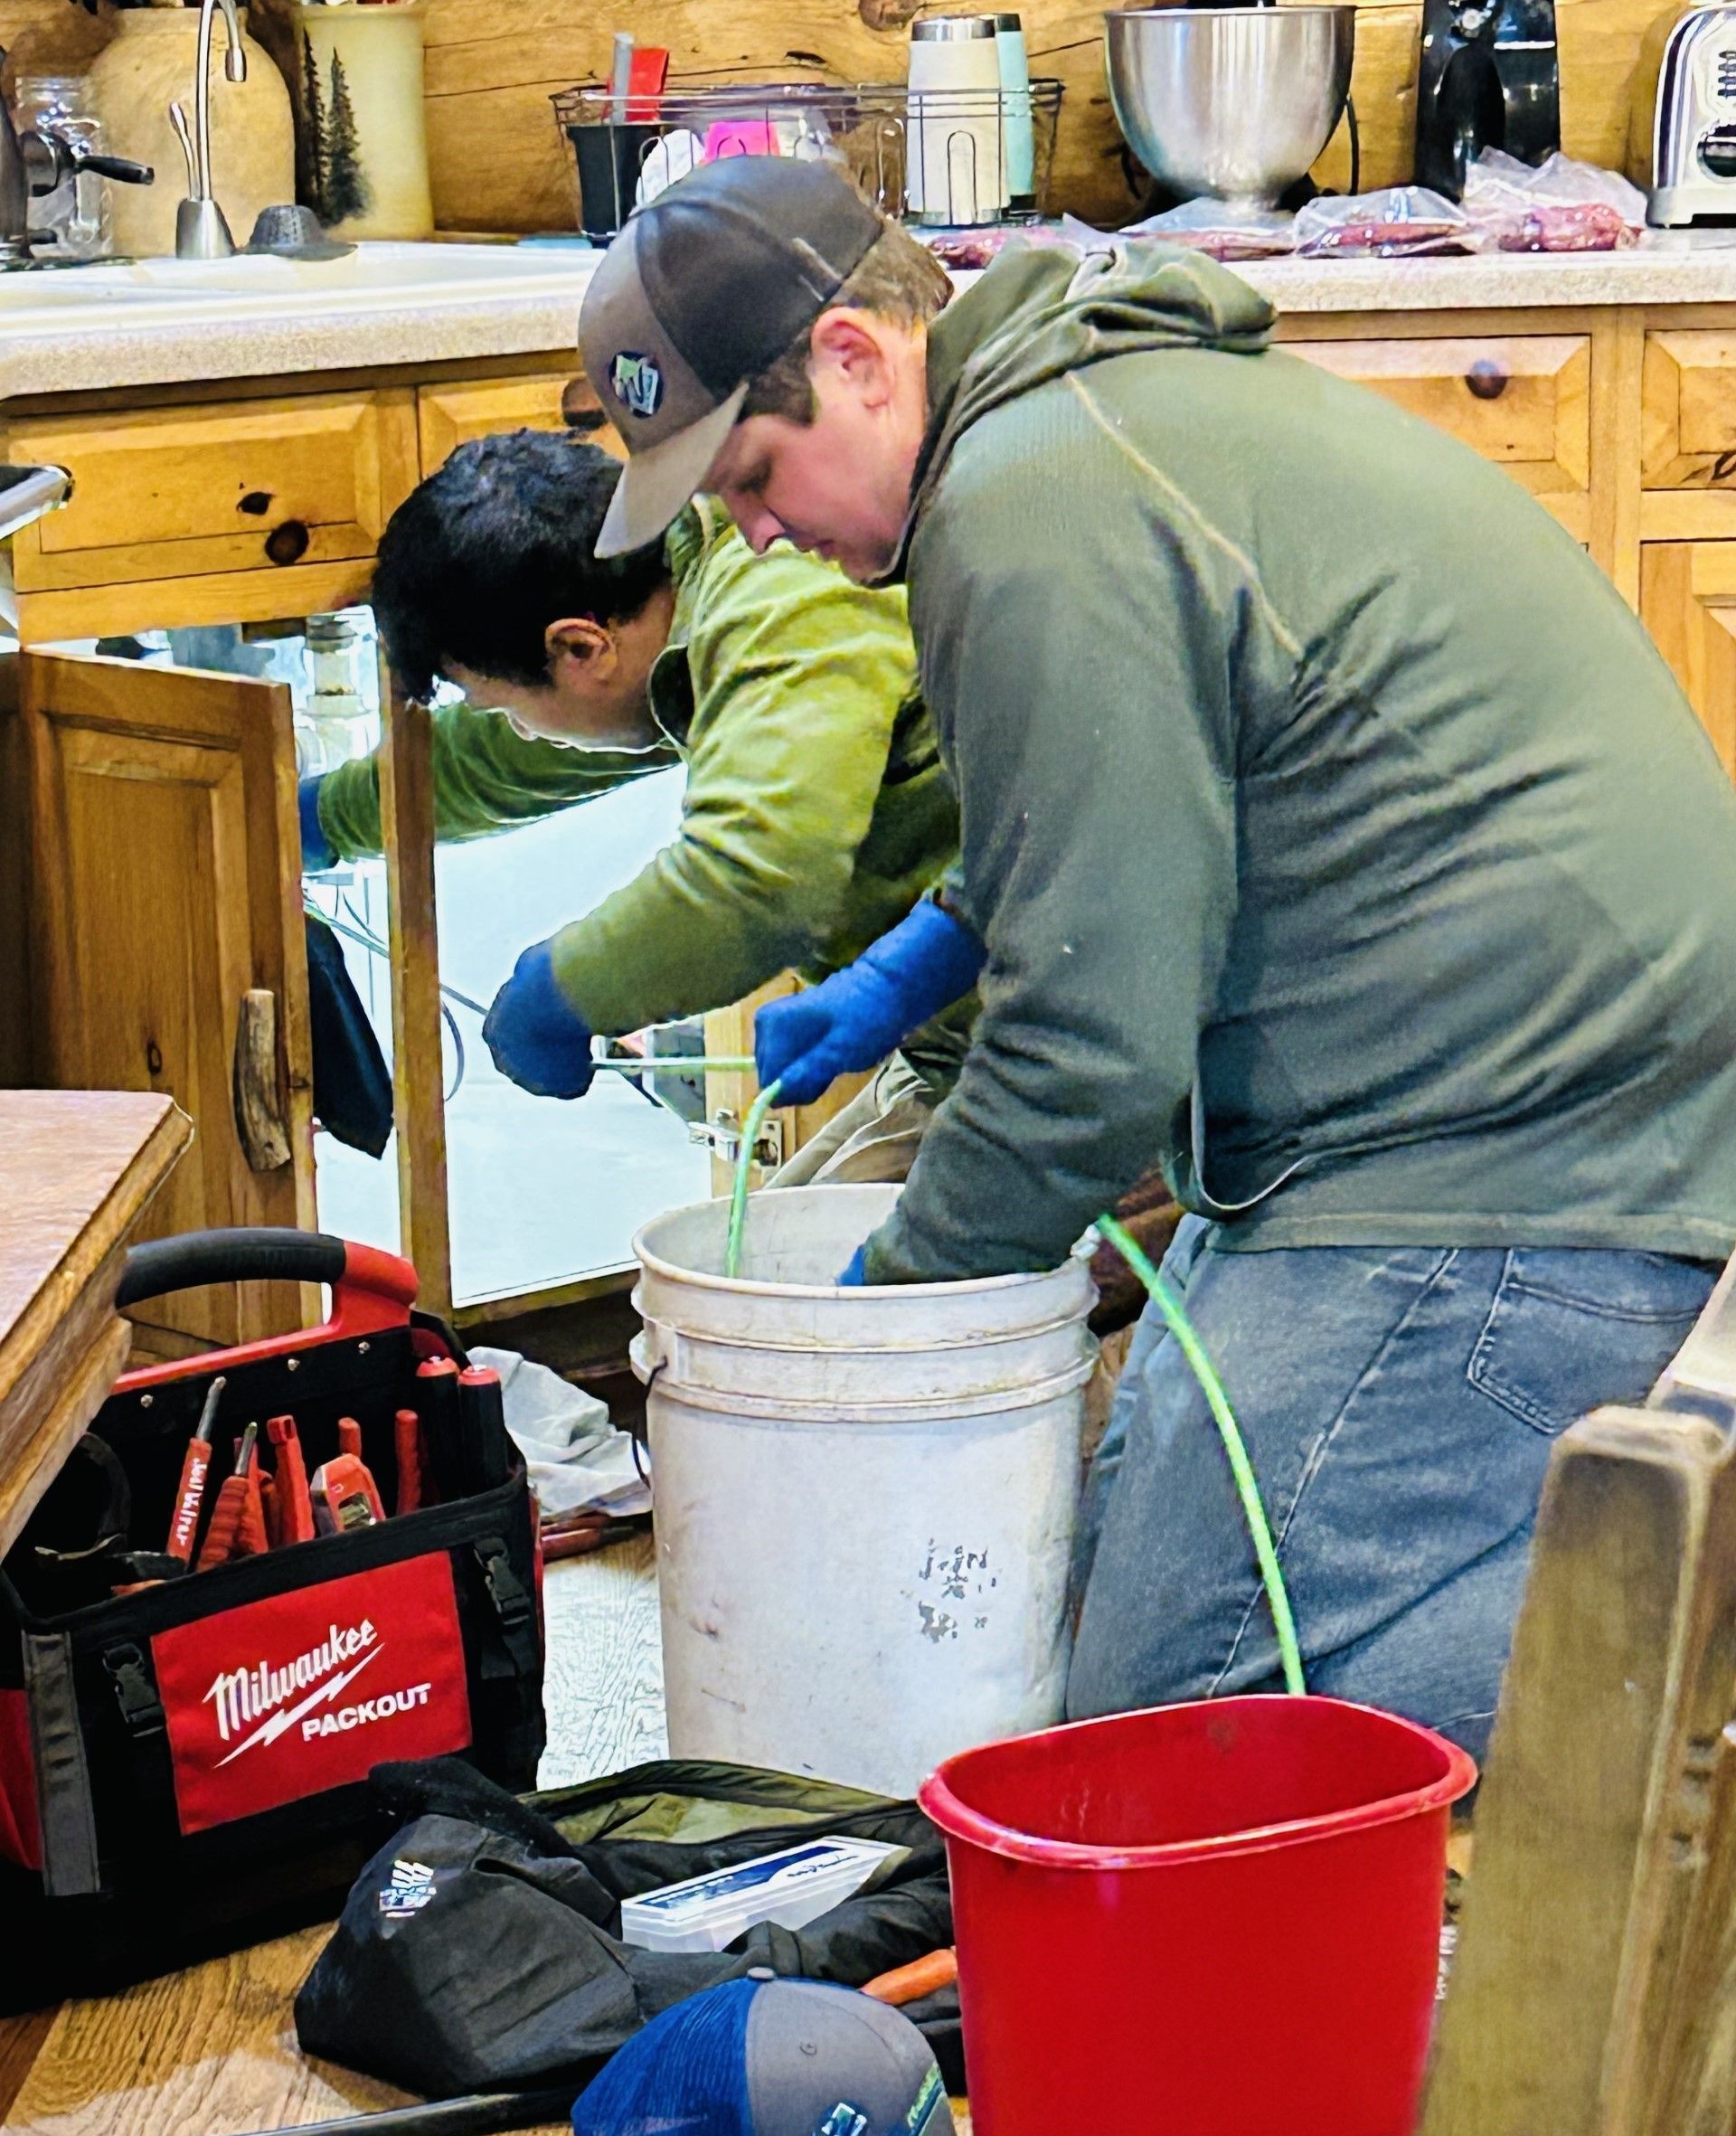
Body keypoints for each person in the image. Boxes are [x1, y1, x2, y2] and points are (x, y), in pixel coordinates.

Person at [577, 156, 1736, 1758]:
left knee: (1172, 1730)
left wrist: (887, 1308)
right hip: (1466, 1091)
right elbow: (1123, 795)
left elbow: (1087, 1058)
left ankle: (1687, 1630)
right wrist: (915, 965)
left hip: (1531, 1154)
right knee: (1102, 1611)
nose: (759, 535)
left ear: (856, 356)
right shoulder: (1074, 416)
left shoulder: (1029, 510)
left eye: (755, 477)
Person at [297, 427, 966, 1184]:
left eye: (502, 704)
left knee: (782, 1293)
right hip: (964, 1043)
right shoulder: (662, 584)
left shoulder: (784, 597)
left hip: (1084, 1042)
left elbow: (760, 878)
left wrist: (566, 991)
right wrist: (323, 817)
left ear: (581, 649)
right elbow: (512, 756)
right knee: (750, 1273)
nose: (512, 727)